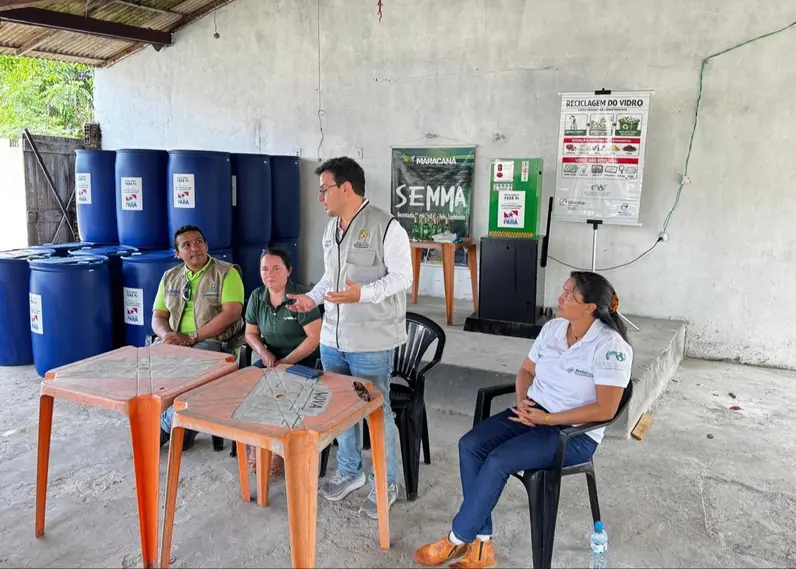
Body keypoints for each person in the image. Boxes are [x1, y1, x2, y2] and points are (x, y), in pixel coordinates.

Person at [414, 271, 633, 568]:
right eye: (563, 289)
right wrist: (523, 404)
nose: (561, 297)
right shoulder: (554, 328)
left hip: (572, 434)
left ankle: (456, 540)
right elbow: (526, 372)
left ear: (589, 307)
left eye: (570, 294)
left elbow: (605, 410)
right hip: (535, 412)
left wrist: (548, 418)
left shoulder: (610, 346)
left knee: (498, 459)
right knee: (471, 444)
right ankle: (483, 544)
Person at [287, 156, 412, 519]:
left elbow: (404, 277)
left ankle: (385, 483)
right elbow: (331, 277)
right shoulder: (332, 229)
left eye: (324, 189)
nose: (320, 197)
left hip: (371, 339)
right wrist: (312, 298)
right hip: (333, 337)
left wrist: (364, 294)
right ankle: (349, 470)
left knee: (377, 410)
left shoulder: (387, 227)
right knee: (339, 408)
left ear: (345, 188)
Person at [154, 224, 246, 450]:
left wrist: (192, 337)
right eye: (186, 245)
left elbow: (232, 313)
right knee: (148, 366)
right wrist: (167, 336)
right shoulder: (170, 277)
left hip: (214, 342)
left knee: (191, 365)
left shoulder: (226, 272)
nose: (194, 248)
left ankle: (164, 428)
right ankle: (181, 428)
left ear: (206, 245)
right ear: (177, 253)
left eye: (198, 242)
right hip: (178, 342)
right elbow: (158, 316)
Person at [243, 247, 322, 478]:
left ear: (289, 271)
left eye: (276, 268)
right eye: (265, 269)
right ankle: (258, 444)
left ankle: (278, 450)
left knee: (283, 393)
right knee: (250, 388)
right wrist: (263, 352)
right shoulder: (257, 296)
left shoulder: (300, 296)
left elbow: (314, 339)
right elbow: (250, 333)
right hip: (272, 359)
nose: (270, 274)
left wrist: (287, 361)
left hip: (303, 359)